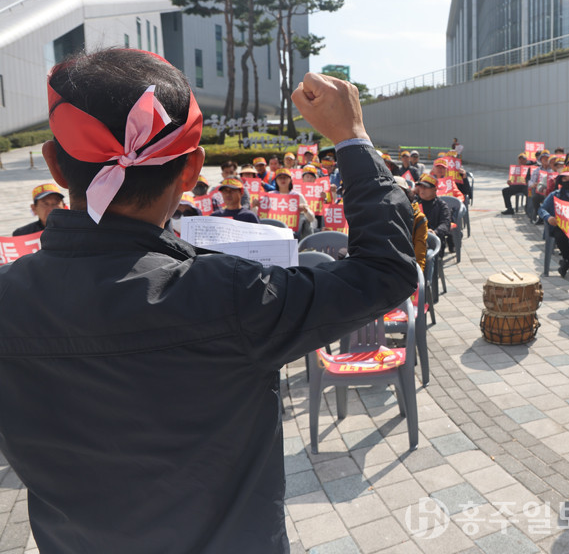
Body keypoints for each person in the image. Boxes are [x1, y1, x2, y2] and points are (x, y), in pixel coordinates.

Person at [0, 49, 417, 552]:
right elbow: (385, 273)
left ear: (55, 165)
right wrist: (352, 137)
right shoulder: (232, 296)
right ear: (191, 167)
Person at [539, 167, 569, 277]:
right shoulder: (554, 195)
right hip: (559, 227)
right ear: (561, 180)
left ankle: (566, 262)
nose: (568, 181)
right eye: (565, 178)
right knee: (559, 235)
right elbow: (542, 209)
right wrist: (549, 217)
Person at [416, 173, 452, 259]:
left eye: (425, 187)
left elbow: (445, 224)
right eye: (420, 186)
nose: (422, 190)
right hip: (416, 240)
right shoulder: (414, 202)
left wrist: (435, 232)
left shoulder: (442, 206)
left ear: (434, 189)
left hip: (433, 243)